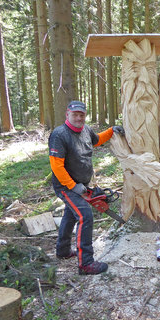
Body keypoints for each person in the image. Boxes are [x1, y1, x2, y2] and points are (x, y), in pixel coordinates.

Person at [48, 100, 125, 275]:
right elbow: (57, 166)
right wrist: (73, 186)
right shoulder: (59, 135)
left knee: (70, 214)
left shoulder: (85, 130)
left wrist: (112, 131)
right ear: (67, 114)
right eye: (75, 114)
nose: (78, 118)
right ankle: (85, 263)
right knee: (85, 216)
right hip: (66, 186)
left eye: (81, 115)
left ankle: (63, 250)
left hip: (81, 184)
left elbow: (97, 140)